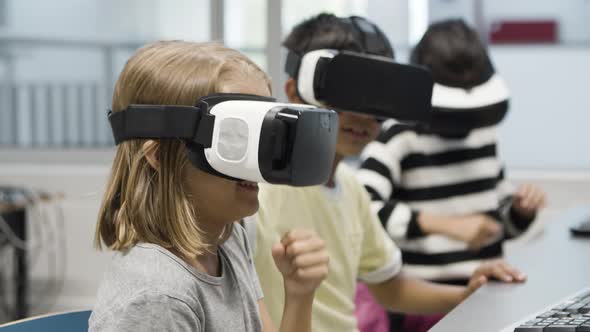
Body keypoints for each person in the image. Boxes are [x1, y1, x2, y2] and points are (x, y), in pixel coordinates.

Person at [245, 14, 526, 332]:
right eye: (348, 94)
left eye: (379, 99)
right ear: (295, 91)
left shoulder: (352, 188)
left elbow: (391, 288)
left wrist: (469, 294)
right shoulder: (255, 192)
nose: (364, 116)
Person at [89, 41, 330, 332]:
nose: (259, 160)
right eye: (236, 137)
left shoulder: (226, 241)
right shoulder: (159, 299)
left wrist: (299, 296)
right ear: (159, 158)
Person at [357, 19, 546, 331]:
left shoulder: (484, 133)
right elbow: (363, 211)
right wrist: (445, 226)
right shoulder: (399, 136)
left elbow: (497, 227)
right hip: (421, 301)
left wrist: (519, 213)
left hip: (486, 293)